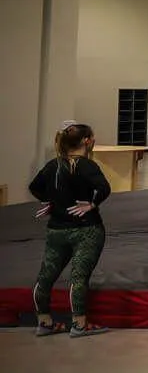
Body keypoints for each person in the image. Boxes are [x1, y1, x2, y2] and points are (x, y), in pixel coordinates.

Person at [28, 121, 113, 338]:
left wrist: (52, 201)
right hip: (86, 230)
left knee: (45, 276)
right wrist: (91, 204)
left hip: (56, 231)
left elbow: (35, 187)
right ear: (87, 141)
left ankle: (44, 322)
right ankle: (79, 324)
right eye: (93, 137)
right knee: (78, 277)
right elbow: (103, 188)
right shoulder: (86, 166)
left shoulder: (52, 165)